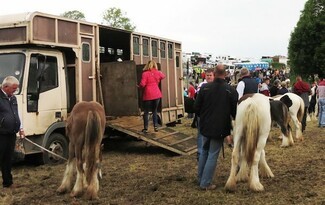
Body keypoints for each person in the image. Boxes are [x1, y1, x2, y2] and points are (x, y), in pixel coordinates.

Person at [194, 64, 238, 190]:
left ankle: (200, 178)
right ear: (225, 74)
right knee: (212, 154)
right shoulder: (231, 91)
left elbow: (196, 108)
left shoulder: (205, 88)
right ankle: (205, 183)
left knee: (204, 152)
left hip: (205, 126)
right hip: (219, 128)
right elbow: (234, 113)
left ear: (214, 72)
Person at [0, 76, 25, 188]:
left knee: (8, 159)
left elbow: (16, 114)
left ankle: (8, 183)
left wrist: (21, 128)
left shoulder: (13, 98)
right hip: (1, 134)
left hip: (11, 133)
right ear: (5, 87)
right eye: (14, 89)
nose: (15, 91)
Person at [138, 60, 165, 133]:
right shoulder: (158, 73)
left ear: (147, 65)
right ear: (155, 65)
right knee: (155, 111)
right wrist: (158, 72)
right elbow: (163, 76)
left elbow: (143, 84)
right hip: (157, 95)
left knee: (146, 112)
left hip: (148, 95)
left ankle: (146, 128)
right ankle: (155, 126)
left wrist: (139, 86)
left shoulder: (145, 74)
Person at [195, 68, 215, 160]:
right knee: (201, 133)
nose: (209, 77)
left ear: (213, 76)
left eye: (210, 75)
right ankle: (200, 151)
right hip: (203, 112)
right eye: (207, 75)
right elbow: (197, 99)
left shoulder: (216, 85)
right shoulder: (201, 85)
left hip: (213, 113)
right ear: (205, 76)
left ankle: (210, 151)